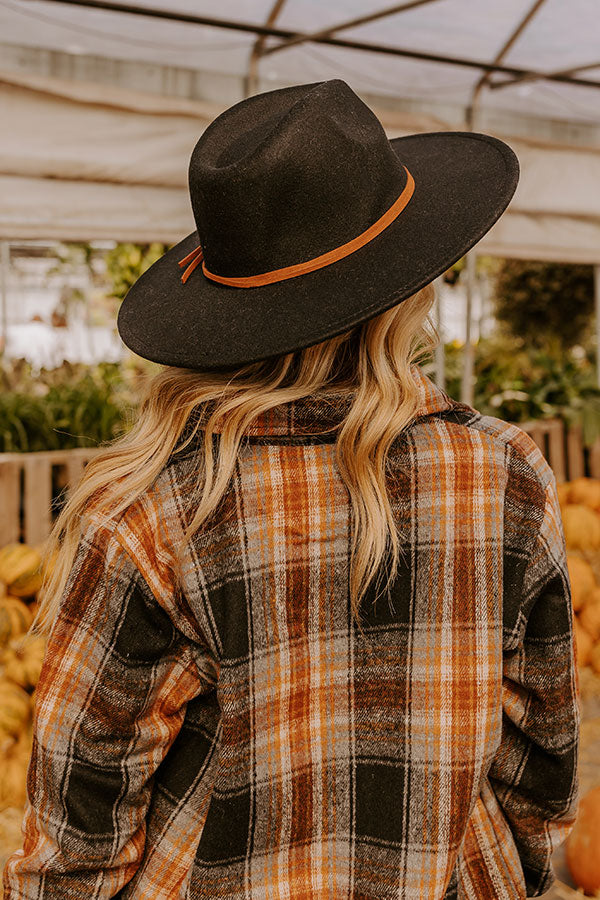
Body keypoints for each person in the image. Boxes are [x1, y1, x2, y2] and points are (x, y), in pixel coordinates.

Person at [3, 79, 579, 900]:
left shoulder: (146, 512)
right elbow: (541, 760)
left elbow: (79, 829)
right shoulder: (506, 473)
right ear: (406, 289)